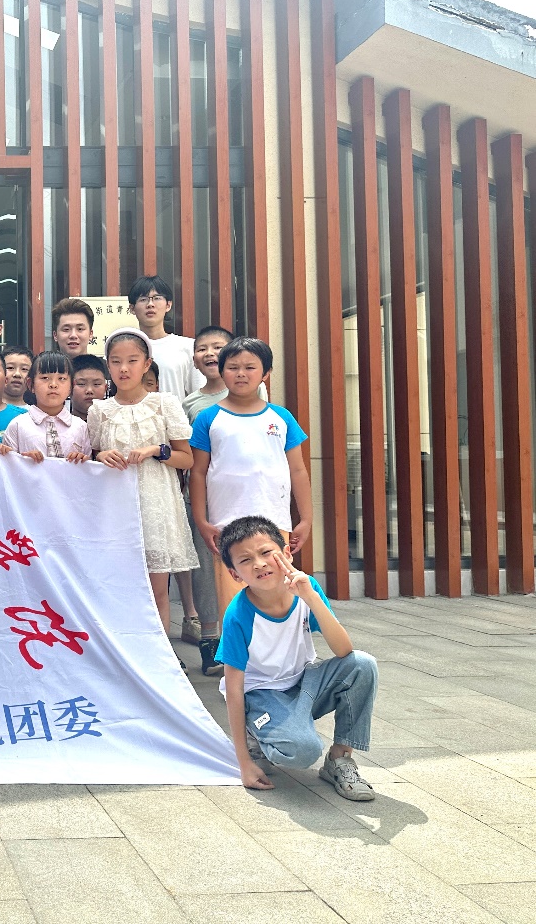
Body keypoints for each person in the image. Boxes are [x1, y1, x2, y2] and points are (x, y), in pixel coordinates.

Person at [217, 515, 378, 801]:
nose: (259, 564)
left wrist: (310, 597)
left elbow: (344, 650)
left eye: (265, 552)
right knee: (302, 751)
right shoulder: (238, 615)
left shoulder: (306, 588)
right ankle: (257, 734)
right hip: (263, 694)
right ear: (235, 574)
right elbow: (233, 688)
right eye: (245, 560)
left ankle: (339, 759)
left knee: (362, 665)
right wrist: (243, 762)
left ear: (286, 553)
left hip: (304, 683)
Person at [190, 336, 312, 621]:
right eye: (233, 367)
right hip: (226, 524)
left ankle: (277, 649)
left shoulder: (282, 417)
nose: (241, 374)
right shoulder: (208, 418)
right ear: (222, 371)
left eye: (250, 367)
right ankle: (236, 650)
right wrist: (201, 520)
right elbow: (197, 472)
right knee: (233, 599)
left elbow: (298, 470)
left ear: (266, 373)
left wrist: (306, 519)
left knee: (277, 593)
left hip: (274, 521)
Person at [88, 327, 198, 646]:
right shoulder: (99, 411)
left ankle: (161, 656)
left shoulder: (164, 404)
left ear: (147, 364)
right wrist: (100, 455)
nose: (124, 368)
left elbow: (186, 458)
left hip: (156, 505)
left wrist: (156, 450)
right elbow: (91, 457)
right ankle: (126, 653)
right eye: (116, 361)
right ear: (107, 365)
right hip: (114, 507)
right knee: (119, 587)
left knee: (156, 589)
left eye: (132, 361)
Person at [180, 325, 244, 676]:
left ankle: (245, 639)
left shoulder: (254, 393)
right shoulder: (190, 404)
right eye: (202, 348)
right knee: (204, 568)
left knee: (242, 566)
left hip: (242, 496)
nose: (209, 353)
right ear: (194, 359)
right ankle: (209, 642)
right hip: (203, 496)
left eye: (217, 347)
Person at [0, 351, 91, 463]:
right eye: (45, 378)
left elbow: (89, 468)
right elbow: (7, 467)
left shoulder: (80, 427)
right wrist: (24, 461)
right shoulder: (18, 426)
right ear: (30, 384)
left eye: (62, 378)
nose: (53, 384)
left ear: (71, 386)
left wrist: (81, 460)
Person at [128, 274, 205, 401]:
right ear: (132, 308)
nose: (150, 304)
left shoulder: (188, 347)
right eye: (143, 299)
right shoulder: (124, 349)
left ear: (168, 305)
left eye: (157, 298)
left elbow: (199, 396)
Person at [69, 354, 109, 422]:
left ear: (105, 388)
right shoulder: (59, 425)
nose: (89, 390)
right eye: (81, 384)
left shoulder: (114, 424)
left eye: (96, 384)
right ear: (68, 388)